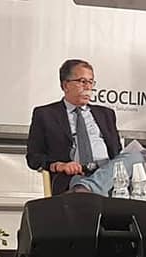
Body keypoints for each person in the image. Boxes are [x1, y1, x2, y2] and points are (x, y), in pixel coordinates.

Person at [26, 59, 121, 195]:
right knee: (81, 188)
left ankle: (90, 187)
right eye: (82, 81)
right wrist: (59, 165)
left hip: (106, 173)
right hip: (73, 177)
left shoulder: (106, 114)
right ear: (66, 85)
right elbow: (33, 157)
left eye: (91, 82)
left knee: (134, 156)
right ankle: (88, 188)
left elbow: (117, 153)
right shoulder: (45, 114)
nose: (88, 87)